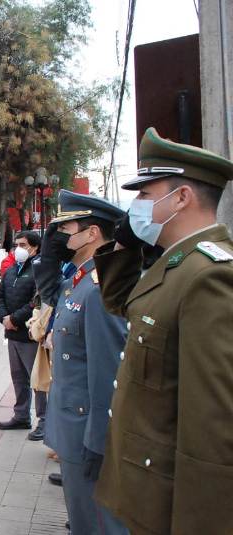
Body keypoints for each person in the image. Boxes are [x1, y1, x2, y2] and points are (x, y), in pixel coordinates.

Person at [93, 128, 233, 534]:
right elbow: (126, 305)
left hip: (171, 508)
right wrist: (123, 245)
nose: (136, 206)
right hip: (145, 489)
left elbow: (214, 426)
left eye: (145, 195)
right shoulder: (175, 264)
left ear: (183, 198)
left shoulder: (209, 276)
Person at [33, 190, 128, 535]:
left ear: (92, 234)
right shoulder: (79, 281)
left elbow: (108, 372)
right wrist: (46, 258)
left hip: (86, 429)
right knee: (82, 519)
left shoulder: (100, 288)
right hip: (71, 423)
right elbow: (50, 293)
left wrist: (98, 442)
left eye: (67, 228)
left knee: (97, 524)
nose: (61, 237)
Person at [0, 230, 47, 440]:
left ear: (34, 247)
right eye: (16, 245)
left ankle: (44, 421)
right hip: (13, 335)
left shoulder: (40, 269)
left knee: (38, 380)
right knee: (19, 378)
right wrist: (4, 317)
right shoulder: (12, 270)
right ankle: (22, 415)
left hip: (30, 336)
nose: (18, 249)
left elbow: (37, 300)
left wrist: (15, 319)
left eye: (23, 245)